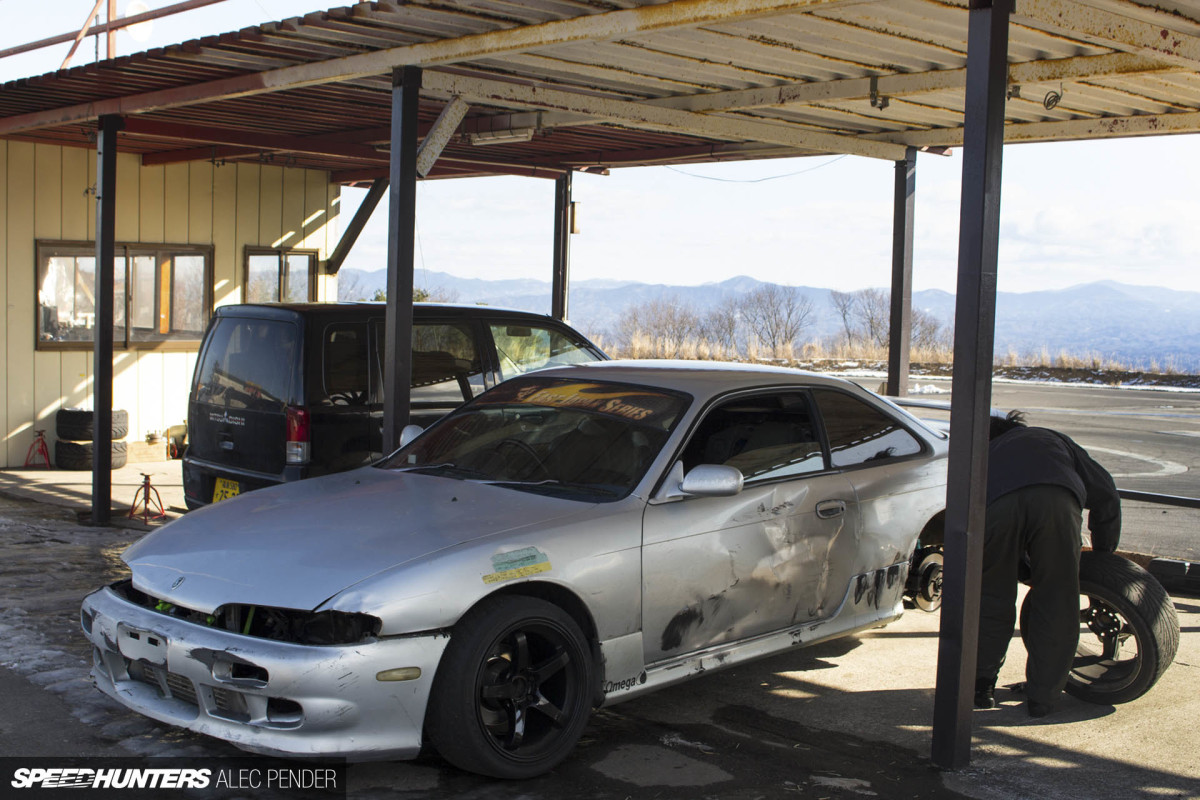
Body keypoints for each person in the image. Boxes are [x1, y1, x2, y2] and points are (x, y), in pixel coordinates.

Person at [974, 410, 1121, 717]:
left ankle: (981, 687)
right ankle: (1043, 698)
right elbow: (1106, 491)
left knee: (990, 597)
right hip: (1057, 500)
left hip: (995, 507)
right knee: (1056, 600)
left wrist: (1014, 563)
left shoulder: (985, 451)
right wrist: (1104, 555)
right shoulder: (1051, 439)